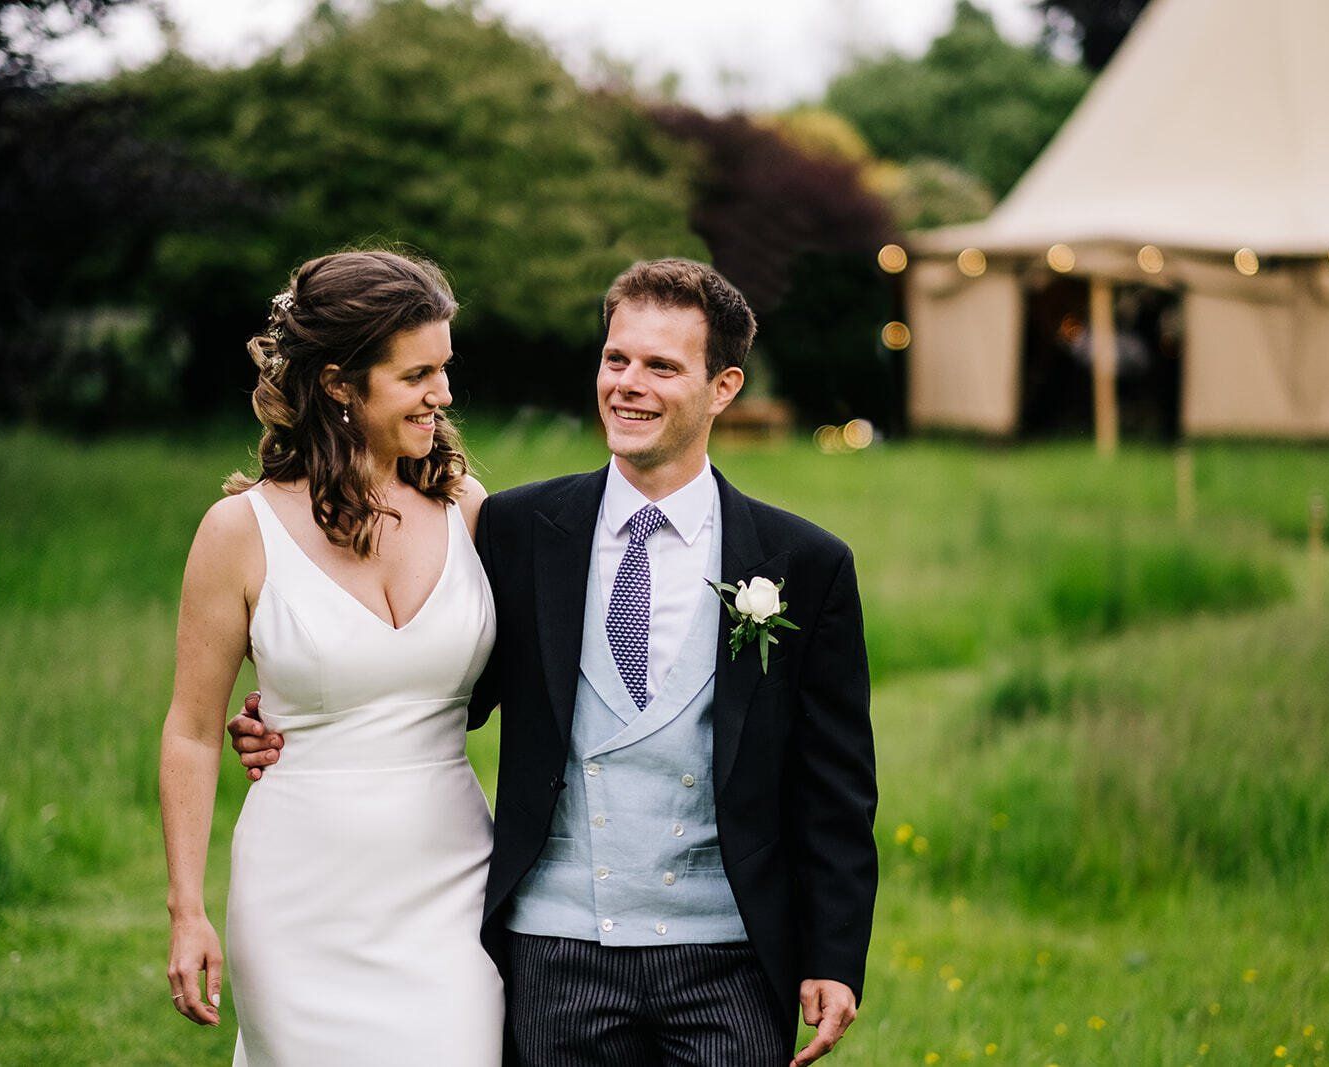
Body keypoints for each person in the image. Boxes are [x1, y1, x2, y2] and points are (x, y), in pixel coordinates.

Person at [233, 258, 877, 1066]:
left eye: (661, 366)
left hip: (730, 953)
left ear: (723, 387)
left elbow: (835, 785)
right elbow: (439, 681)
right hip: (554, 947)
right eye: (616, 358)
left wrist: (834, 955)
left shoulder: (804, 562)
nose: (628, 383)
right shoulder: (518, 529)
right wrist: (300, 712)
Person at [160, 250, 503, 1064]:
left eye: (445, 368)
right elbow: (191, 731)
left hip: (454, 883)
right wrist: (187, 908)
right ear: (340, 384)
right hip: (298, 897)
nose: (443, 393)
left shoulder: (468, 511)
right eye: (417, 374)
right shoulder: (239, 532)